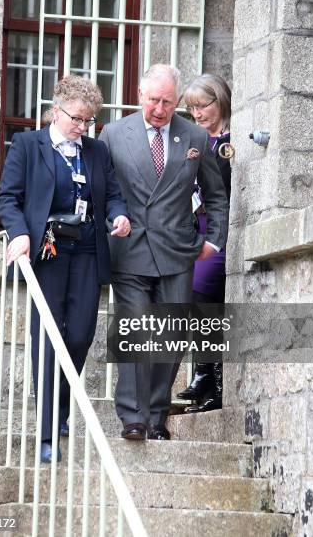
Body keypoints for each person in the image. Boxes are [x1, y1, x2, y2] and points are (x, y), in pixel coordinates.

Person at [0, 75, 130, 462]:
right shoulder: (27, 145)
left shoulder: (95, 152)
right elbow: (8, 198)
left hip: (88, 249)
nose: (82, 127)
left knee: (81, 335)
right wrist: (19, 234)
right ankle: (47, 430)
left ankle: (61, 407)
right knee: (47, 338)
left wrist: (119, 217)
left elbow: (114, 195)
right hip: (48, 252)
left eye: (89, 121)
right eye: (76, 119)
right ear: (56, 111)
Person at [99, 64, 229, 440]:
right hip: (130, 249)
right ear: (141, 96)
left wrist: (214, 239)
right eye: (154, 100)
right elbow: (104, 190)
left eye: (167, 102)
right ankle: (133, 417)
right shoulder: (113, 134)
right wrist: (109, 224)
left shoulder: (194, 137)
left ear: (177, 102)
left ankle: (156, 416)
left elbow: (215, 195)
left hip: (177, 250)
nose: (159, 109)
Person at [176, 73, 232, 413]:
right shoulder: (194, 139)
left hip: (219, 231)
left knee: (199, 293)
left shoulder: (229, 140)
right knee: (201, 304)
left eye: (203, 106)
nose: (197, 114)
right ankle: (210, 382)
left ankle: (204, 373)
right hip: (195, 229)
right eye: (192, 109)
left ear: (220, 100)